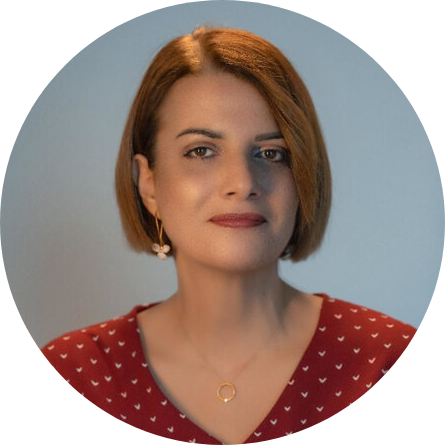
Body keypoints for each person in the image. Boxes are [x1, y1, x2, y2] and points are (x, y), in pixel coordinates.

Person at [41, 26, 417, 444]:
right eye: (201, 151)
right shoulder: (75, 373)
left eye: (271, 153)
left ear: (303, 177)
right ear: (148, 183)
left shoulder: (385, 359)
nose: (242, 183)